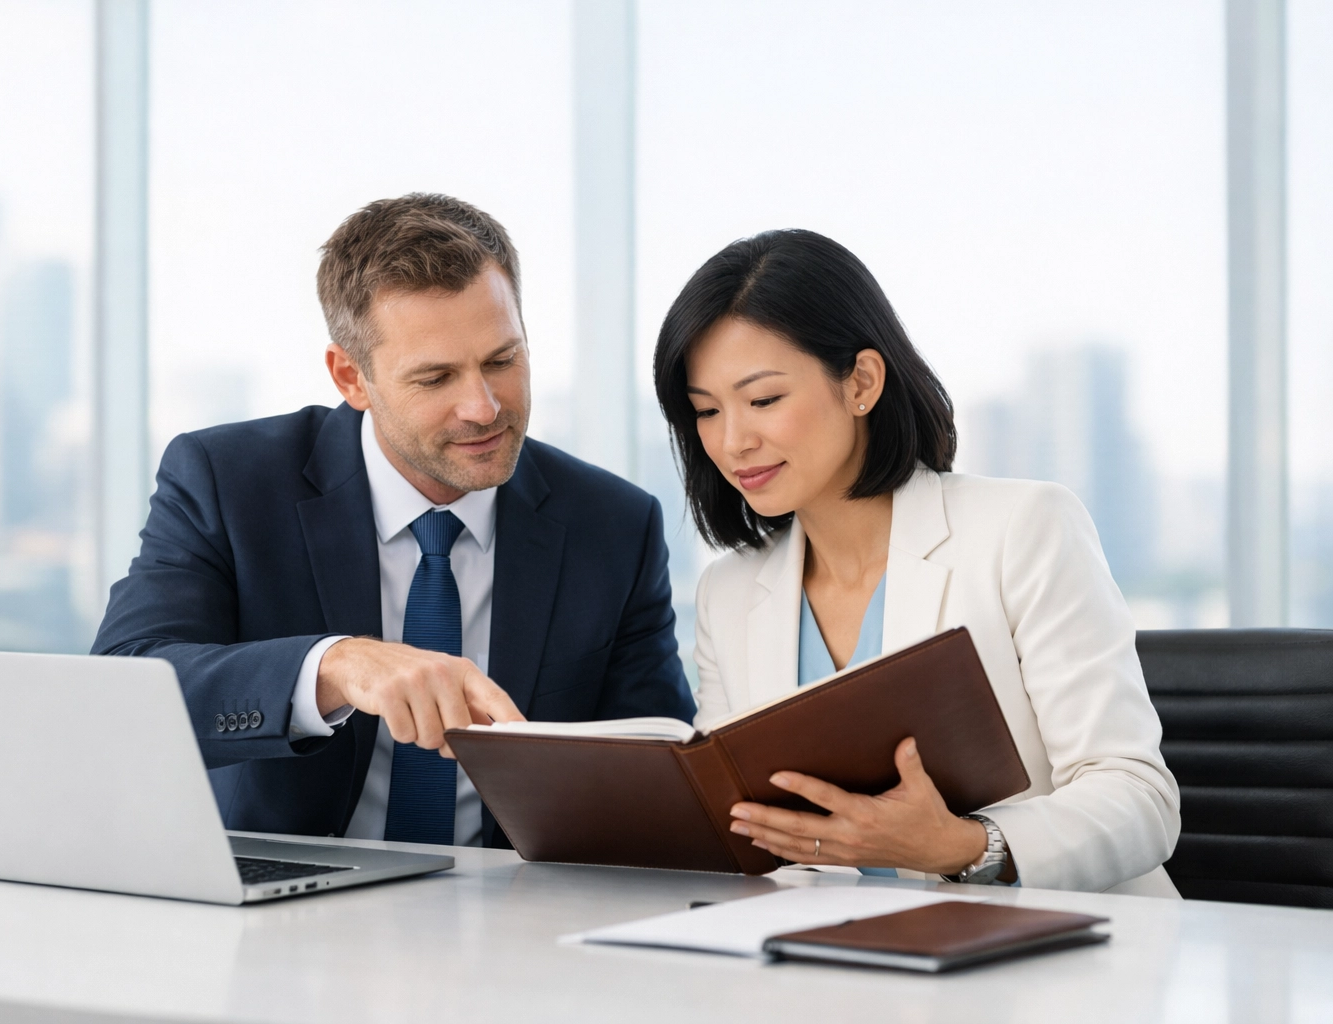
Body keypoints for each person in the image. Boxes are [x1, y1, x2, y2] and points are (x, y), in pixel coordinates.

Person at [95, 193, 695, 848]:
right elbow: (123, 691)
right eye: (435, 378)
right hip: (283, 925)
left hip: (515, 918)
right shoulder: (227, 481)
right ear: (351, 377)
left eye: (502, 360)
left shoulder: (613, 525)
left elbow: (661, 776)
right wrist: (335, 667)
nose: (484, 407)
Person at [652, 229, 1180, 895]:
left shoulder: (1024, 528)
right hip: (831, 968)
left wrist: (963, 846)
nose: (733, 441)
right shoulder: (728, 592)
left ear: (862, 383)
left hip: (1049, 958)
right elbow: (741, 830)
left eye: (763, 400)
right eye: (705, 411)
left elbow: (1139, 799)